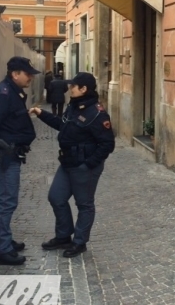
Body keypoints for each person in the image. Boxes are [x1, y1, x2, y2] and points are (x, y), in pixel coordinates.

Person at [29, 72, 115, 258]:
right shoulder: (74, 107)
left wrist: (89, 164)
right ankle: (63, 237)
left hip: (83, 167)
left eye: (73, 86)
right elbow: (62, 124)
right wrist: (41, 113)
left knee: (84, 204)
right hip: (67, 163)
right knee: (56, 197)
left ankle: (79, 242)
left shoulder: (97, 114)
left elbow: (108, 144)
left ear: (83, 89)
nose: (70, 89)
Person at [0, 56, 40, 265]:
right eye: (27, 74)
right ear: (15, 74)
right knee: (7, 201)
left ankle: (2, 240)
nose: (30, 77)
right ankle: (1, 249)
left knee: (1, 200)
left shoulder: (12, 91)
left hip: (9, 154)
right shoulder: (2, 94)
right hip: (4, 156)